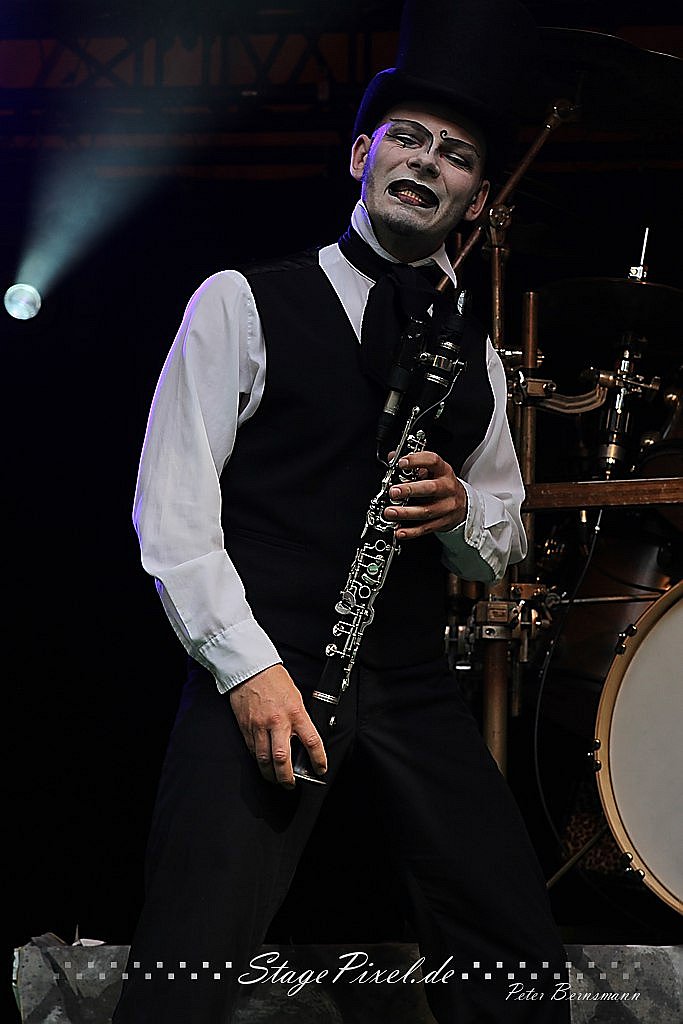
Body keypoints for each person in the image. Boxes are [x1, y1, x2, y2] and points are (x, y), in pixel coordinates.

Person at [114, 2, 572, 1021]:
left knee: (513, 958)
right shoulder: (238, 301)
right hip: (266, 659)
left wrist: (459, 511)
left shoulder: (476, 354)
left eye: (455, 155)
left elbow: (503, 534)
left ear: (475, 200)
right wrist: (247, 670)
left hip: (407, 675)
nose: (426, 161)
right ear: (361, 156)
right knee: (188, 957)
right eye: (406, 138)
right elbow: (171, 515)